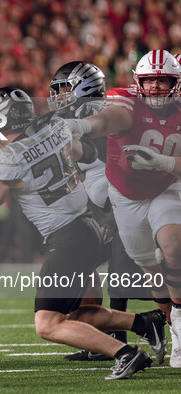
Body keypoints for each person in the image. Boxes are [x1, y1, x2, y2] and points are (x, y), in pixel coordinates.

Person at [0, 87, 166, 380]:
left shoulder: (7, 159)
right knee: (77, 314)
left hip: (68, 239)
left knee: (47, 324)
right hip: (91, 226)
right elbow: (85, 152)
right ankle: (144, 323)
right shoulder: (55, 130)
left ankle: (125, 354)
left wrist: (3, 180)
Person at [65, 49, 181, 367]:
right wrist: (82, 126)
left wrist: (162, 161)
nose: (157, 87)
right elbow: (108, 119)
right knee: (146, 265)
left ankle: (177, 326)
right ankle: (166, 322)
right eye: (151, 81)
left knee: (172, 243)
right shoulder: (126, 99)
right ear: (138, 82)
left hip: (167, 185)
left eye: (164, 81)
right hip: (125, 195)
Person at [48, 61, 153, 362]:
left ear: (85, 88)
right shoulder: (65, 117)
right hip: (94, 199)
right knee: (80, 270)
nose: (59, 95)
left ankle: (122, 336)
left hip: (118, 198)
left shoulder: (105, 113)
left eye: (64, 88)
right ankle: (102, 337)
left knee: (121, 275)